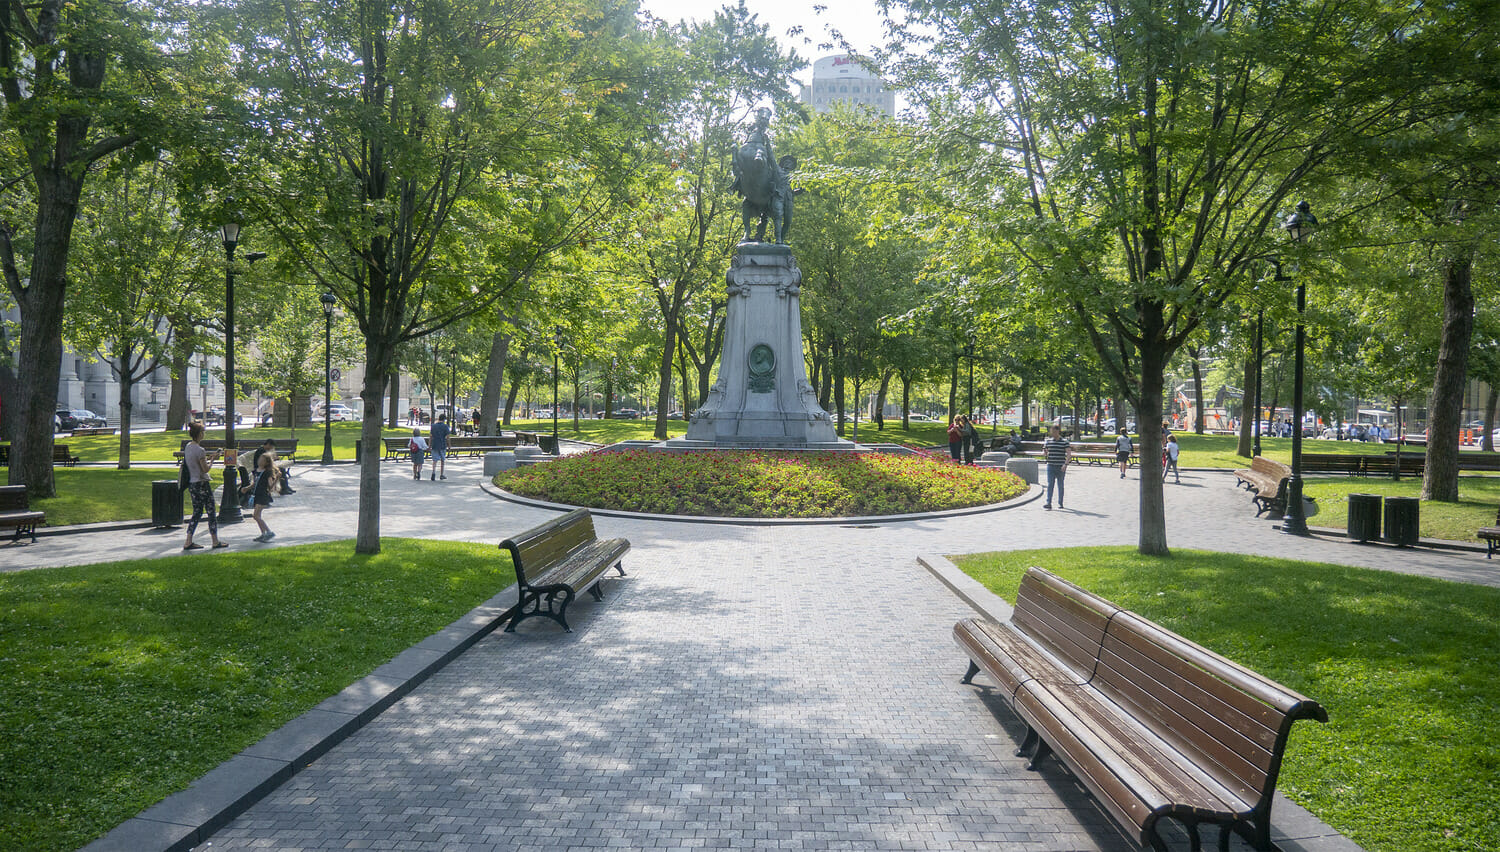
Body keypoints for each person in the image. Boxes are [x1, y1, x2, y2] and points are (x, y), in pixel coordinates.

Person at [182, 421, 227, 551]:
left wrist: (208, 458)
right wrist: (213, 459)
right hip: (202, 484)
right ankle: (215, 540)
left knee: (197, 512)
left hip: (192, 483)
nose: (204, 434)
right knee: (211, 511)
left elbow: (196, 465)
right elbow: (205, 469)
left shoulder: (188, 447)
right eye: (203, 431)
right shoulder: (200, 450)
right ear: (200, 434)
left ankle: (188, 541)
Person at [242, 452, 280, 542]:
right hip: (256, 495)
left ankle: (269, 532)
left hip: (263, 495)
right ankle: (263, 534)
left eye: (262, 460)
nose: (260, 461)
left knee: (256, 516)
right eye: (260, 459)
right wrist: (246, 488)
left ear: (266, 462)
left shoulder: (267, 473)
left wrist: (276, 479)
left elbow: (270, 486)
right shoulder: (256, 470)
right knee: (257, 516)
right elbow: (254, 483)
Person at [1043, 424, 1072, 510]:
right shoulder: (1048, 441)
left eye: (1055, 432)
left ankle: (1060, 502)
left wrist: (1065, 464)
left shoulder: (1064, 442)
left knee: (1060, 485)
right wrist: (1045, 452)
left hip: (1060, 466)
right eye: (1052, 432)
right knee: (1050, 484)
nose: (1053, 434)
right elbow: (1045, 452)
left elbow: (1069, 454)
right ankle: (1048, 502)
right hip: (1051, 465)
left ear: (1058, 431)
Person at [430, 413, 451, 480]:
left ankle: (433, 472)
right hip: (442, 444)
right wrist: (449, 445)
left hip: (435, 444)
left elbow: (430, 436)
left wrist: (429, 445)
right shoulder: (445, 426)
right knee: (442, 460)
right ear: (444, 419)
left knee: (434, 460)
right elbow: (448, 437)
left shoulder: (433, 426)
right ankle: (441, 474)